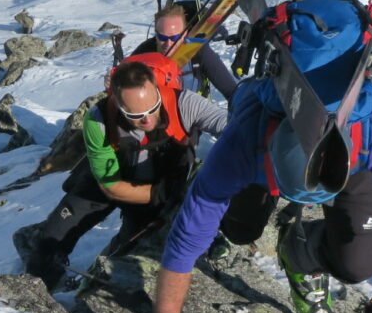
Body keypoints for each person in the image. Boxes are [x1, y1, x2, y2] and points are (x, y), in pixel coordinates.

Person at [142, 0, 372, 313]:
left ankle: (299, 247)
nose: (300, 202)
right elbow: (185, 242)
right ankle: (250, 203)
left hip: (348, 167)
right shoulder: (243, 145)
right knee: (239, 229)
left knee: (358, 266)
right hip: (263, 153)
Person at [14, 50, 231, 288]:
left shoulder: (185, 103)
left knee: (128, 258)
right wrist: (163, 192)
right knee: (49, 243)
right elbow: (112, 187)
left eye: (153, 107)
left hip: (161, 192)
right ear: (117, 103)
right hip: (112, 184)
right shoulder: (98, 119)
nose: (147, 120)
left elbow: (234, 129)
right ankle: (37, 301)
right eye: (135, 115)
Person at [134, 3, 239, 101]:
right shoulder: (142, 55)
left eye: (175, 37)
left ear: (185, 34)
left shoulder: (198, 51)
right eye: (162, 37)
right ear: (156, 34)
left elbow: (231, 91)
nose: (168, 43)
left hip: (195, 112)